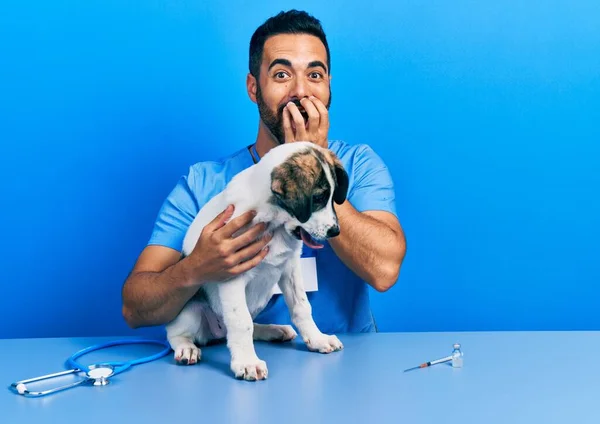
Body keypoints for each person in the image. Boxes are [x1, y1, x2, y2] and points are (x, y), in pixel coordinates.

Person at [122, 9, 406, 335]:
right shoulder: (203, 183)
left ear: (328, 86)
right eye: (282, 75)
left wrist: (316, 166)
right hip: (241, 363)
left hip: (343, 358)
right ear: (253, 87)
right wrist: (196, 267)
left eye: (315, 75)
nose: (301, 91)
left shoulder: (355, 164)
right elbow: (135, 308)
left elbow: (384, 271)